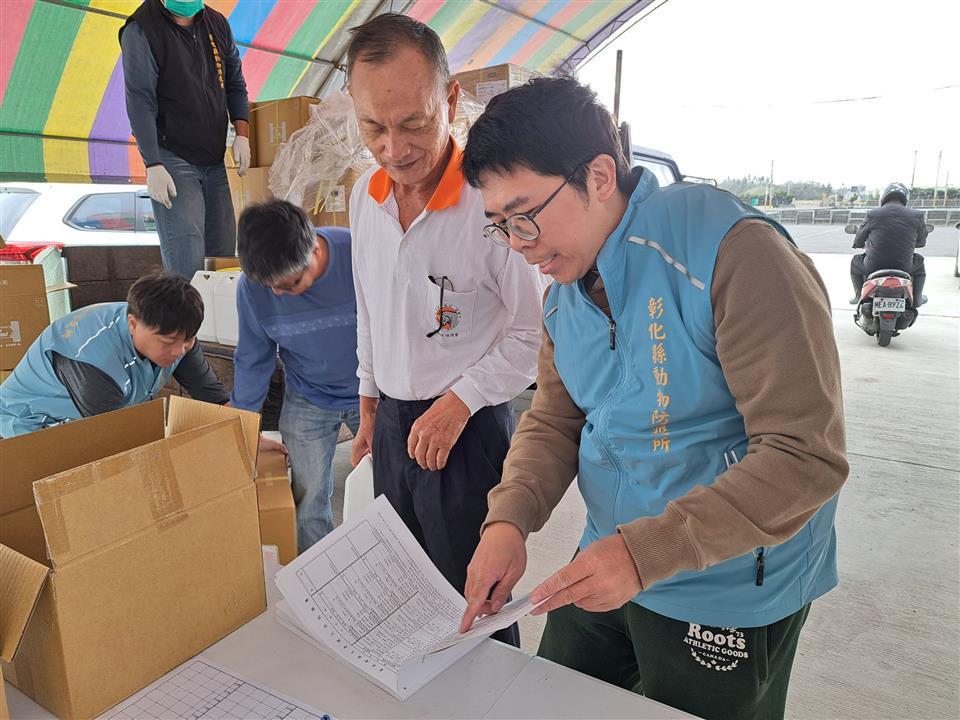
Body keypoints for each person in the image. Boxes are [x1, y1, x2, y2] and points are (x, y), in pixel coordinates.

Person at [458, 77, 848, 720]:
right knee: (553, 702)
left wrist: (647, 554)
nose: (519, 244)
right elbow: (554, 420)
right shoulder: (563, 292)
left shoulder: (732, 252)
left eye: (525, 214)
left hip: (726, 578)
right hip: (609, 553)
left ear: (599, 176)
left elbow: (804, 456)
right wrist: (509, 519)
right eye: (499, 226)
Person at [344, 13, 546, 646]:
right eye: (374, 127)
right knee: (403, 595)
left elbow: (534, 332)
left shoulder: (491, 203)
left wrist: (460, 401)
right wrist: (369, 403)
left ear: (450, 100)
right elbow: (369, 306)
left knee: (473, 606)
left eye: (414, 123)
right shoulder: (364, 197)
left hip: (469, 429)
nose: (394, 148)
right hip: (392, 425)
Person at [232, 200, 361, 552]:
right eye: (269, 286)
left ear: (315, 249)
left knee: (391, 491)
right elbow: (253, 359)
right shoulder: (252, 288)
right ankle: (320, 575)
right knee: (307, 502)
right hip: (308, 394)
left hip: (374, 391)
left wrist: (384, 401)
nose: (277, 294)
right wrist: (244, 428)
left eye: (290, 284)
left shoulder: (359, 255)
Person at [1, 272, 228, 437]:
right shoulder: (93, 360)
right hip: (28, 427)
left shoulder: (177, 332)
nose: (179, 351)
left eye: (188, 339)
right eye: (168, 342)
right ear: (133, 324)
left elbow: (215, 398)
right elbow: (115, 438)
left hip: (81, 422)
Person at [119, 0, 250, 279]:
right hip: (173, 156)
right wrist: (153, 163)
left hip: (214, 156)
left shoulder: (217, 24)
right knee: (187, 261)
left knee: (223, 261)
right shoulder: (142, 29)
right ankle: (186, 310)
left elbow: (235, 83)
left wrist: (243, 134)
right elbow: (140, 100)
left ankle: (216, 310)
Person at [850, 181, 928, 305]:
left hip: (873, 266)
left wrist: (859, 245)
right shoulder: (916, 215)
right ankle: (917, 299)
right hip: (905, 267)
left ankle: (858, 296)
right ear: (904, 198)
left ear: (883, 197)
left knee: (855, 261)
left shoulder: (873, 214)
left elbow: (859, 239)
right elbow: (921, 242)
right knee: (919, 262)